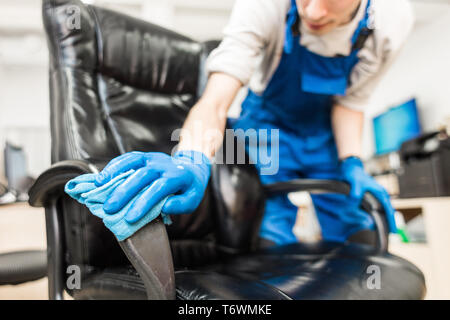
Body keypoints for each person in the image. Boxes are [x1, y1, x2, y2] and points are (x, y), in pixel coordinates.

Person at [94, 0, 414, 247]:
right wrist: (191, 157)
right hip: (265, 131)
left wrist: (353, 162)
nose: (314, 11)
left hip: (324, 134)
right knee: (268, 232)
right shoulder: (265, 5)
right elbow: (215, 100)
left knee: (358, 235)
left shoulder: (391, 22)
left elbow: (350, 102)